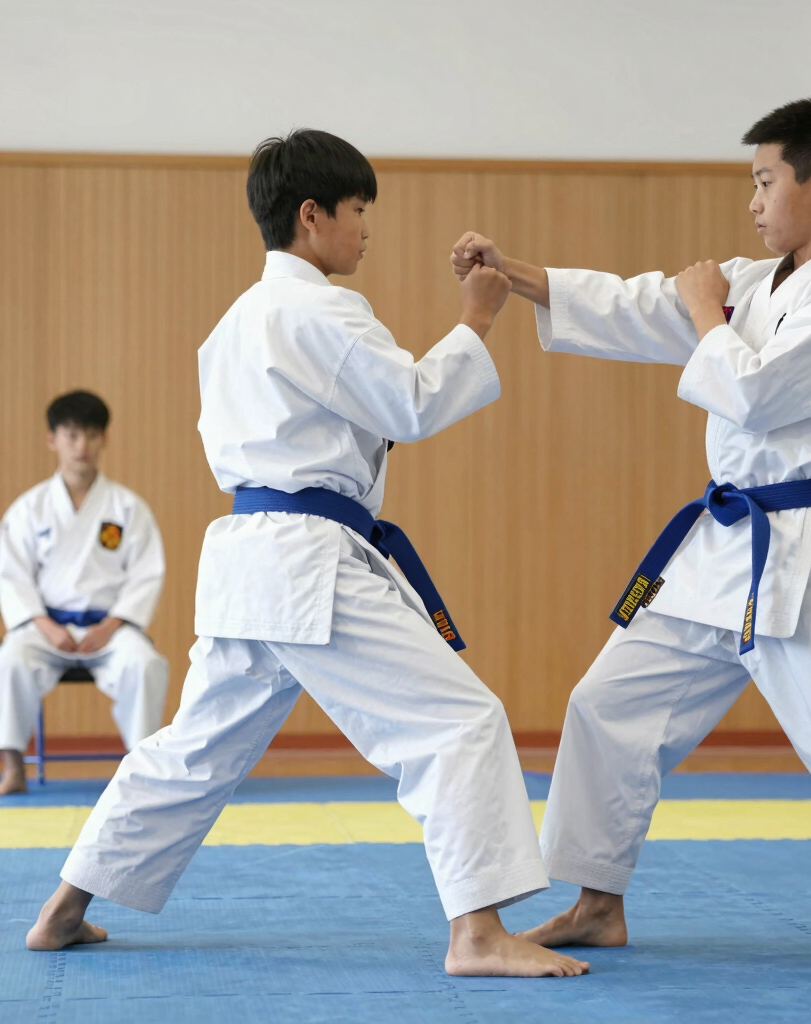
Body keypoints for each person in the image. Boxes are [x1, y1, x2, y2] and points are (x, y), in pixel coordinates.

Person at [451, 98, 811, 958]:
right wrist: (516, 272)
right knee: (607, 707)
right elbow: (639, 307)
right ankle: (598, 899)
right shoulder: (754, 283)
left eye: (764, 181)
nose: (751, 202)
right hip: (721, 544)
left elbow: (754, 391)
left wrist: (708, 314)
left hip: (807, 548)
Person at [26, 130, 587, 979]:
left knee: (193, 748)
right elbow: (410, 403)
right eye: (359, 211)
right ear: (312, 215)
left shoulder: (233, 324)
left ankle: (63, 908)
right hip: (306, 562)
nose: (367, 229)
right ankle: (477, 933)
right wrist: (477, 318)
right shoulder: (319, 308)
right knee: (457, 721)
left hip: (248, 559)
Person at [0, 391, 167, 795]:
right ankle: (11, 765)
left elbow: (146, 575)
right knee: (11, 659)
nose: (81, 446)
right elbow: (12, 575)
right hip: (46, 627)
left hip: (108, 628)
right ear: (52, 439)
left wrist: (111, 627)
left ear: (103, 439)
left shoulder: (128, 508)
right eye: (71, 435)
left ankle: (140, 771)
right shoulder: (30, 508)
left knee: (145, 664)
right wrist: (44, 624)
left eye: (91, 435)